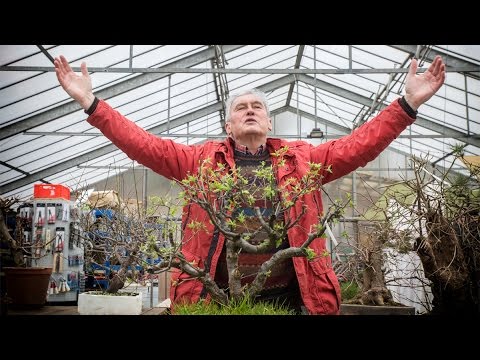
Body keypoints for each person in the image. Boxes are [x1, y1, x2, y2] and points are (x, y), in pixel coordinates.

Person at [54, 54, 446, 315]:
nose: (250, 111)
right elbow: (144, 145)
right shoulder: (200, 161)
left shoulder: (302, 161)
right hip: (218, 298)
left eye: (257, 107)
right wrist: (93, 104)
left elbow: (357, 146)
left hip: (293, 299)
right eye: (241, 108)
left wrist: (406, 106)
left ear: (270, 122)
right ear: (228, 125)